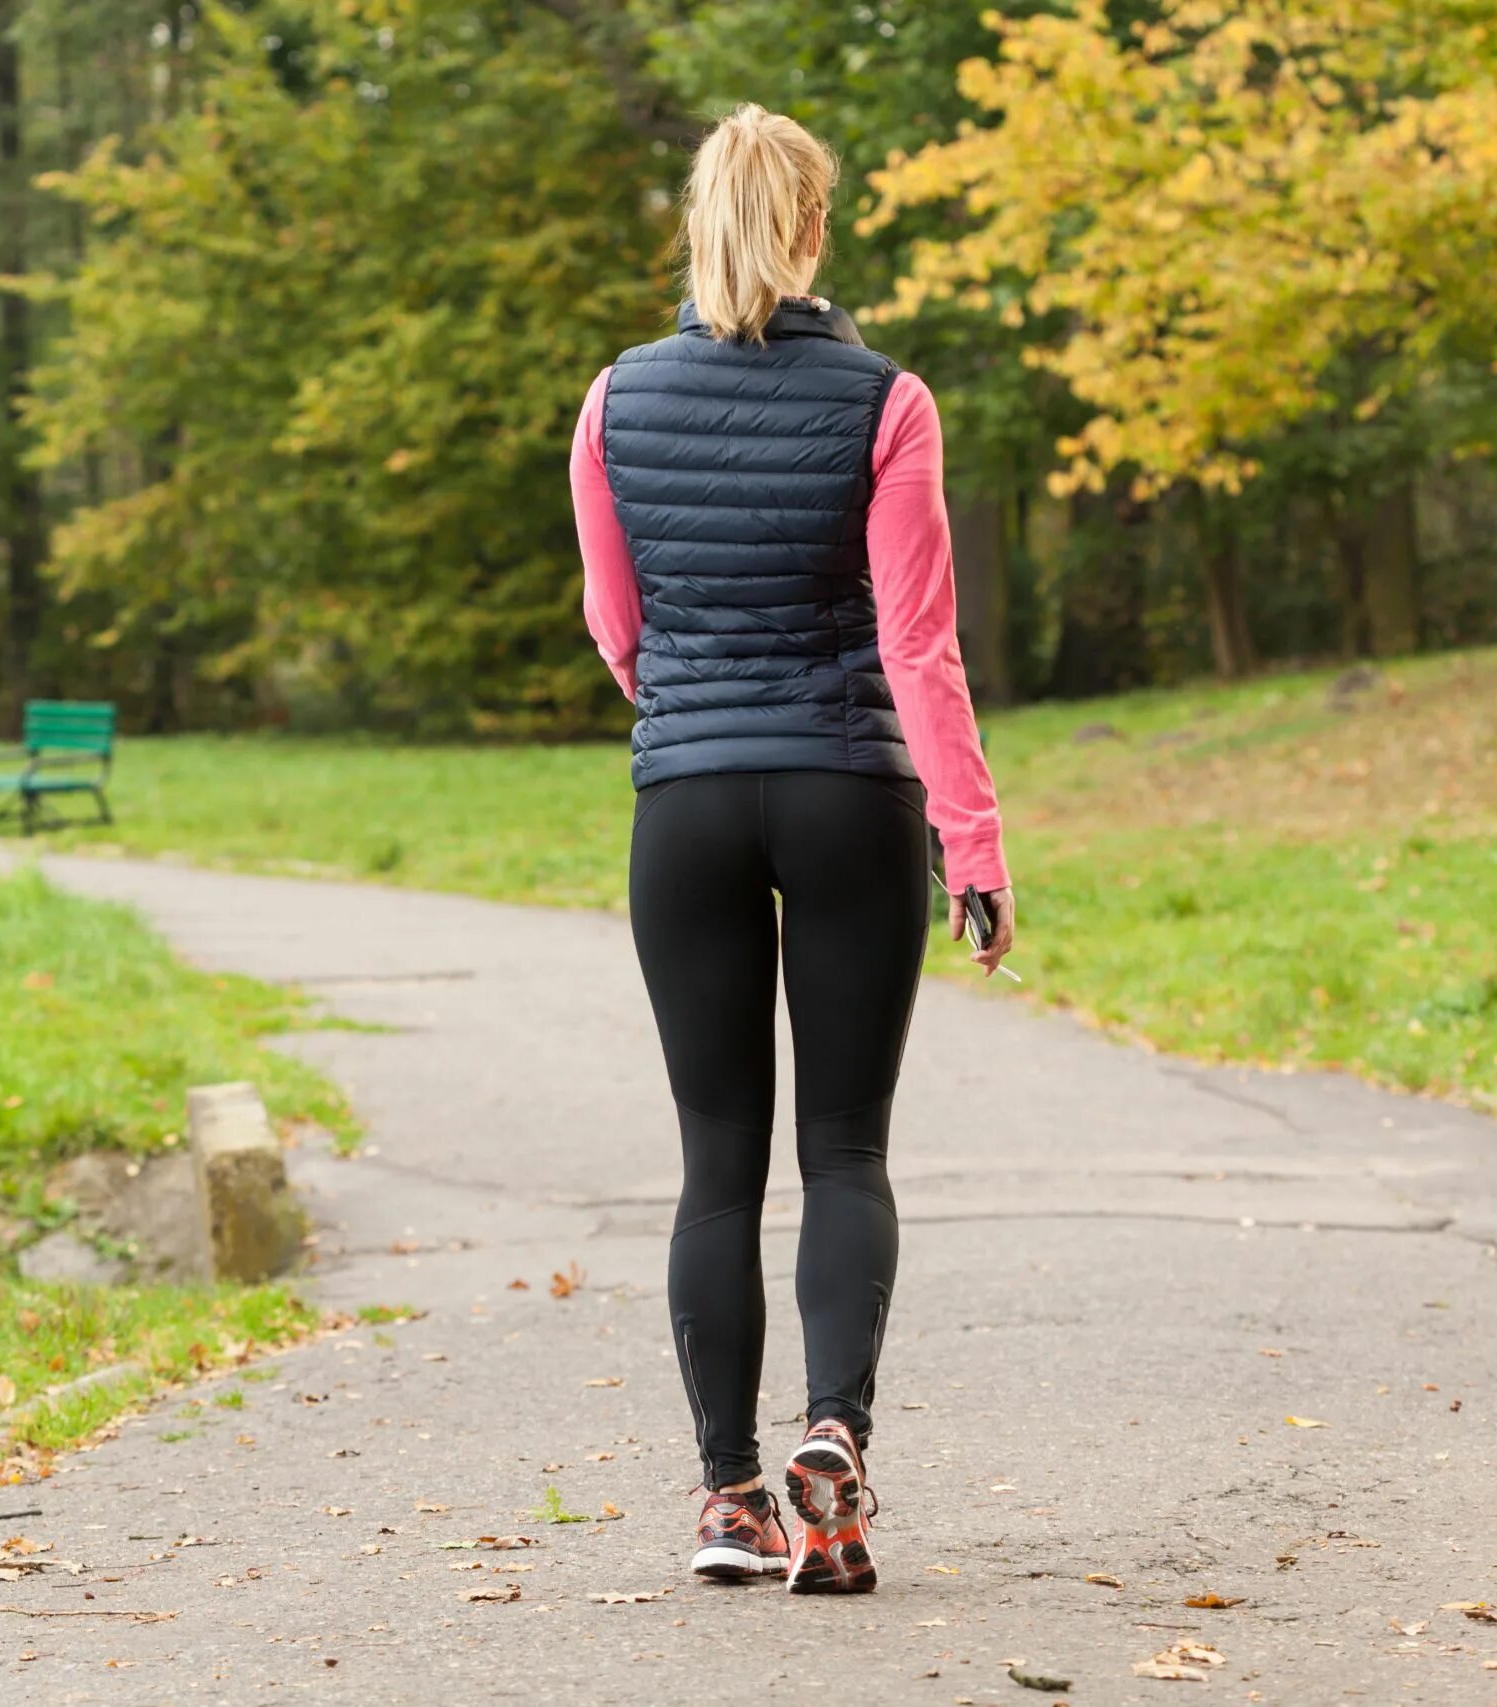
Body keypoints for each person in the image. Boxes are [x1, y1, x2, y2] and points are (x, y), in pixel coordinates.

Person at [568, 103, 1018, 1596]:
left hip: (684, 803)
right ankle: (835, 1443)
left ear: (695, 228)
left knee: (716, 1168)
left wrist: (696, 721)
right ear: (816, 229)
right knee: (844, 1151)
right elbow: (918, 644)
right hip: (846, 789)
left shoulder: (614, 401)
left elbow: (617, 627)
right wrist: (974, 840)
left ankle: (726, 1497)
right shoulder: (887, 401)